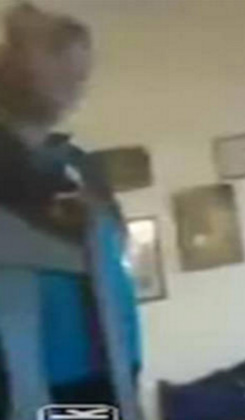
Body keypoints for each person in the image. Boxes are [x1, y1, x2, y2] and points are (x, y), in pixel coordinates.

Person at [0, 2, 141, 416]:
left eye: (80, 67)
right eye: (55, 53)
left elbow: (115, 248)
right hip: (27, 386)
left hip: (109, 373)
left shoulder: (81, 167)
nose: (76, 78)